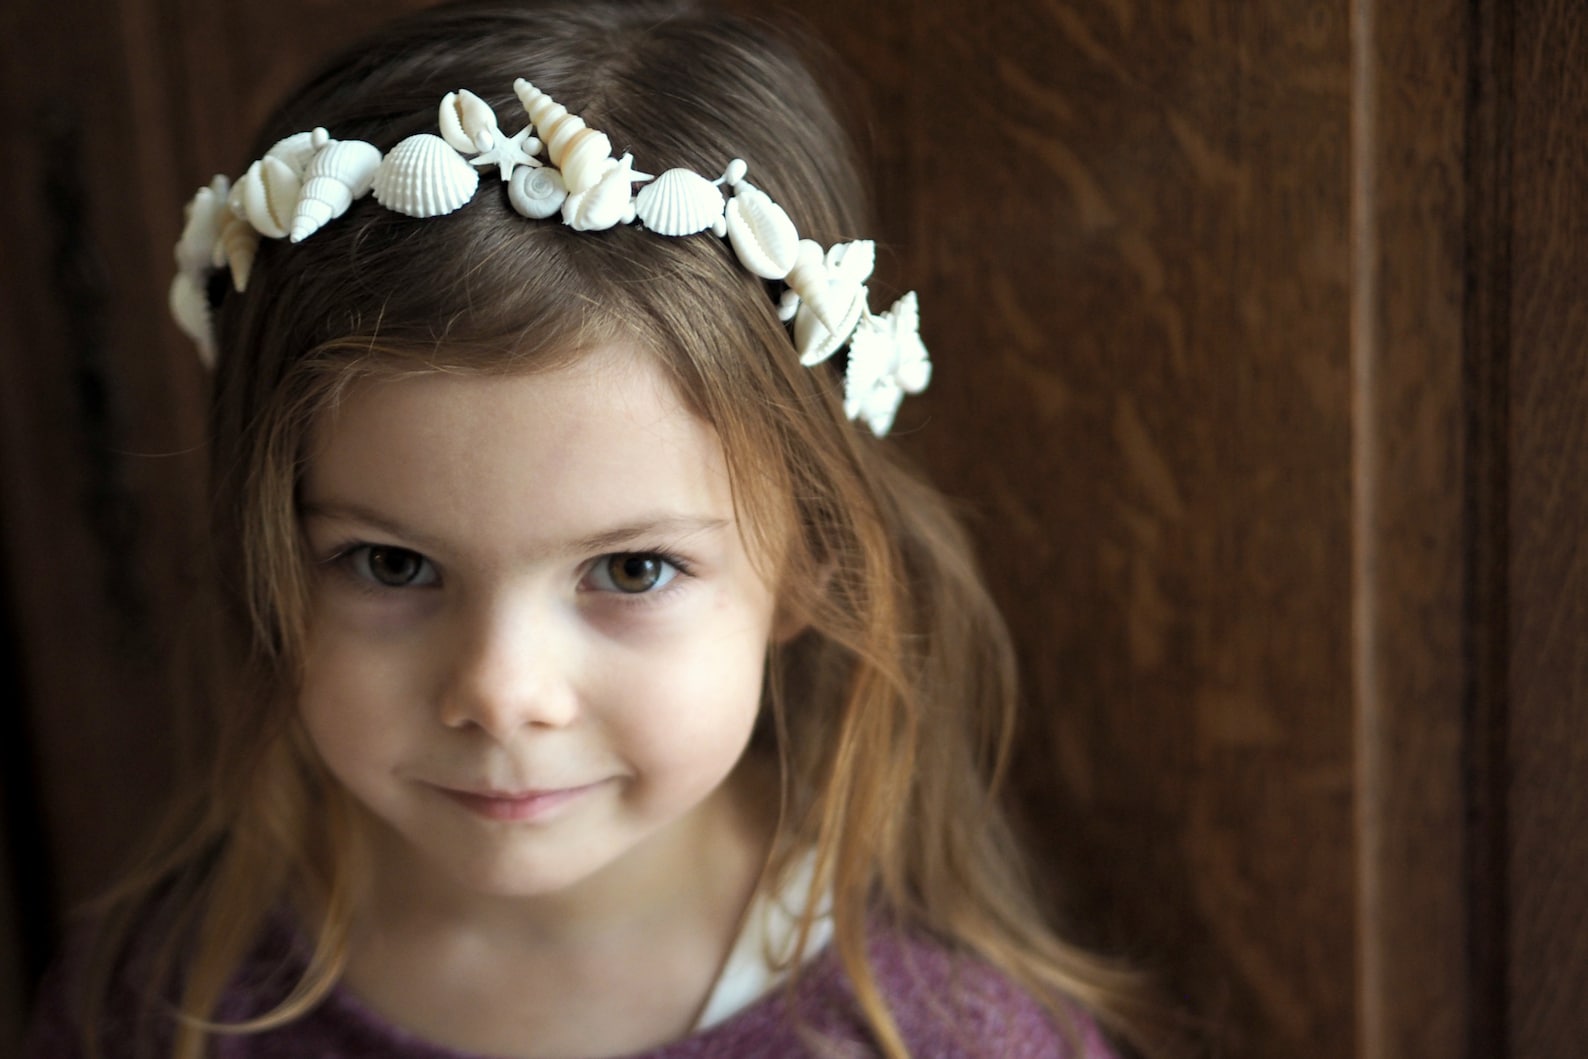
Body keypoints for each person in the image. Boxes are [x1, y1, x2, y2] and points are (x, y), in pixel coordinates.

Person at [24, 1, 1160, 1056]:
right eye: (392, 563)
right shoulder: (161, 998)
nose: (502, 690)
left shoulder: (941, 1038)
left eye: (632, 567)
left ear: (810, 561)